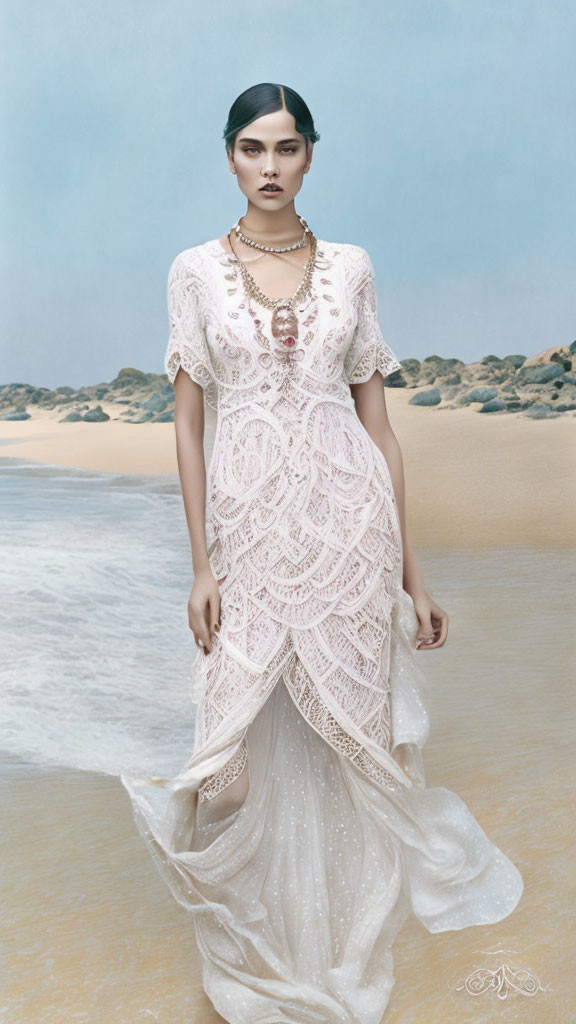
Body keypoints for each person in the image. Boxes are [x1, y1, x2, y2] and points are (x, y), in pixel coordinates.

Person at [121, 82, 523, 1023]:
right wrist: (201, 566)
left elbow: (378, 433)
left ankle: (343, 945)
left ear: (311, 157)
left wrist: (412, 580)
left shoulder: (351, 267)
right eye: (253, 149)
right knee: (227, 763)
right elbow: (187, 428)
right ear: (229, 156)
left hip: (350, 528)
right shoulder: (191, 271)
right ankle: (248, 953)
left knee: (360, 743)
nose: (270, 167)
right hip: (249, 530)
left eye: (288, 149)